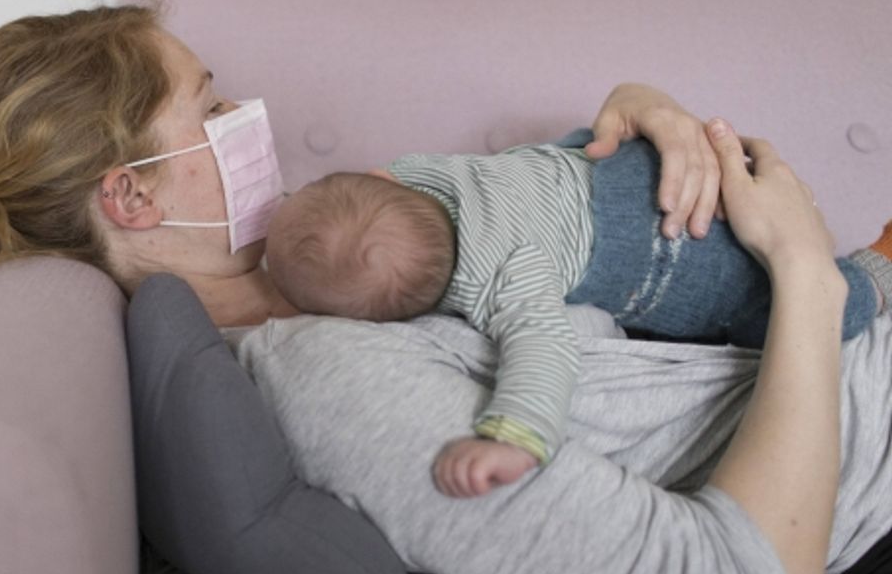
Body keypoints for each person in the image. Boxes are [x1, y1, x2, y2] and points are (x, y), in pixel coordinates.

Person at [0, 5, 891, 574]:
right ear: (130, 196)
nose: (244, 119)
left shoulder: (340, 258)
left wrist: (638, 116)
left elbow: (543, 236)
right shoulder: (329, 384)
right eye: (210, 109)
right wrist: (805, 269)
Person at [263, 138, 892, 497]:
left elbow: (543, 353)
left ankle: (876, 272)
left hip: (683, 259)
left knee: (793, 315)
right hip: (657, 173)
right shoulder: (429, 174)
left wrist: (516, 437)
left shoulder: (506, 277)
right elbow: (367, 193)